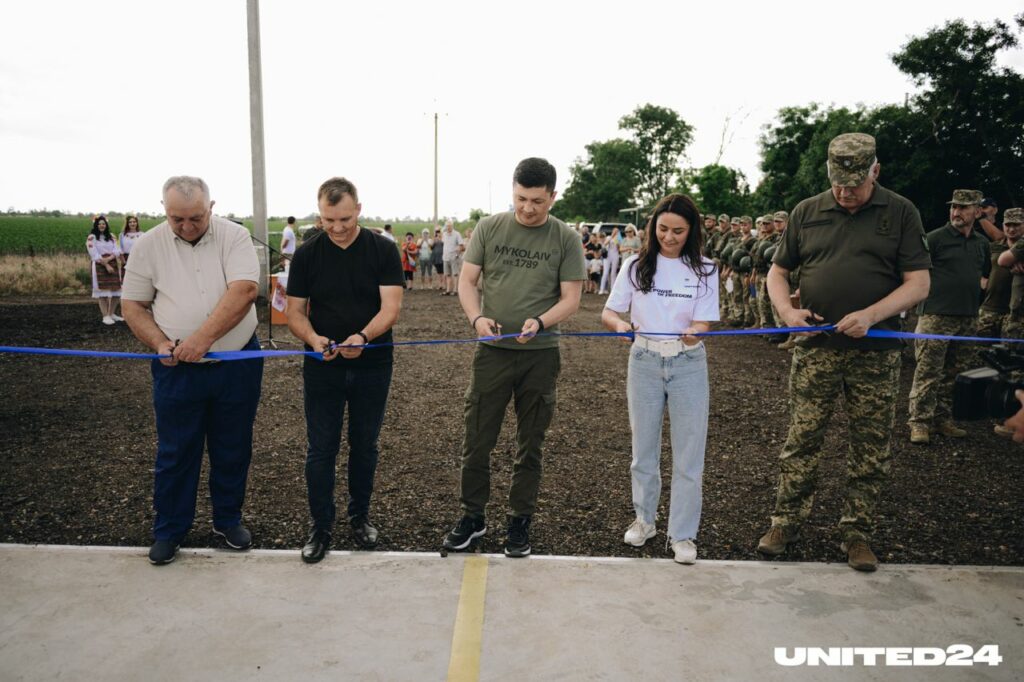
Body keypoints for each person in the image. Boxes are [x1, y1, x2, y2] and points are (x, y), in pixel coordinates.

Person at [757, 133, 931, 572]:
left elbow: (919, 283)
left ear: (875, 170)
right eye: (838, 182)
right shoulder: (807, 212)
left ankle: (856, 532)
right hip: (816, 348)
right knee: (802, 437)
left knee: (869, 445)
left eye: (855, 182)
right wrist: (785, 310)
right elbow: (778, 273)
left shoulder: (901, 212)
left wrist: (872, 315)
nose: (846, 191)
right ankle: (785, 522)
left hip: (876, 353)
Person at [442, 157, 586, 557]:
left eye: (537, 201)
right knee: (476, 441)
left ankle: (519, 521)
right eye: (521, 198)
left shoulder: (565, 238)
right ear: (513, 190)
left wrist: (540, 322)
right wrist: (477, 318)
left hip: (540, 356)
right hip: (491, 354)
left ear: (553, 197)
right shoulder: (490, 227)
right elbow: (467, 281)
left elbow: (571, 298)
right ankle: (472, 518)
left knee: (531, 444)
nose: (527, 208)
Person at [121, 176, 264, 565]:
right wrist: (159, 342)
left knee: (232, 446)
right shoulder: (148, 245)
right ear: (164, 210)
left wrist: (200, 340)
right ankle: (169, 529)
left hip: (236, 362)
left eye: (196, 218)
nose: (186, 227)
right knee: (176, 450)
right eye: (176, 219)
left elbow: (245, 291)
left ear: (211, 207)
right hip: (176, 368)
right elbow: (133, 305)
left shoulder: (234, 237)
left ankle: (227, 520)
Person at [286, 177, 403, 563]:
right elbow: (295, 313)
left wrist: (363, 337)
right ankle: (320, 526)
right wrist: (314, 338)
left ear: (359, 210)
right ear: (319, 215)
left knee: (364, 444)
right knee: (321, 448)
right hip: (322, 364)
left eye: (345, 220)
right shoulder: (306, 255)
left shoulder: (383, 250)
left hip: (373, 362)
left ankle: (359, 517)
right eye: (328, 220)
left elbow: (390, 308)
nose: (337, 228)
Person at [601, 194, 719, 564]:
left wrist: (696, 332)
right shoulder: (635, 266)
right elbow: (610, 312)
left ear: (691, 231)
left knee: (688, 454)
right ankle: (645, 520)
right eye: (663, 229)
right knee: (644, 451)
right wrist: (620, 324)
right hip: (645, 361)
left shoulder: (706, 269)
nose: (669, 237)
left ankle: (682, 535)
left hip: (687, 364)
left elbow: (704, 321)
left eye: (678, 231)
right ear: (653, 227)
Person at [907, 190, 991, 444]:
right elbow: (913, 269)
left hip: (967, 315)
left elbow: (983, 273)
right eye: (954, 207)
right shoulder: (935, 239)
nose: (956, 212)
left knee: (954, 372)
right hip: (935, 315)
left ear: (978, 212)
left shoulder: (981, 243)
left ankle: (942, 419)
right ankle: (919, 422)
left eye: (964, 208)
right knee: (928, 371)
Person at [86, 215, 122, 325]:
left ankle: (111, 313)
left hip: (112, 263)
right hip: (99, 265)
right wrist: (106, 264)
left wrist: (110, 259)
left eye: (103, 224)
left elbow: (117, 249)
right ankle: (105, 316)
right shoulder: (92, 237)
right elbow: (94, 253)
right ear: (96, 225)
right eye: (99, 224)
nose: (102, 225)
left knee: (116, 291)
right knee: (102, 292)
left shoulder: (111, 236)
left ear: (106, 225)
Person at [440, 219, 464, 296]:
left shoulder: (457, 234)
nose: (448, 227)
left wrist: (457, 254)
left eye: (449, 226)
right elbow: (444, 244)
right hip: (445, 257)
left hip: (454, 257)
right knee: (447, 274)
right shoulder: (444, 234)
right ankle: (448, 290)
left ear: (452, 226)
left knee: (455, 274)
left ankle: (455, 290)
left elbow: (461, 245)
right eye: (447, 226)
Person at [599, 226, 621, 295]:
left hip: (615, 255)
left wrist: (617, 242)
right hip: (607, 256)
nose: (615, 232)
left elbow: (619, 249)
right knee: (605, 272)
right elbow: (605, 244)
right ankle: (601, 289)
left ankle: (612, 289)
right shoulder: (608, 237)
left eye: (616, 231)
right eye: (614, 230)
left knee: (613, 273)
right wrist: (612, 236)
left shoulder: (619, 238)